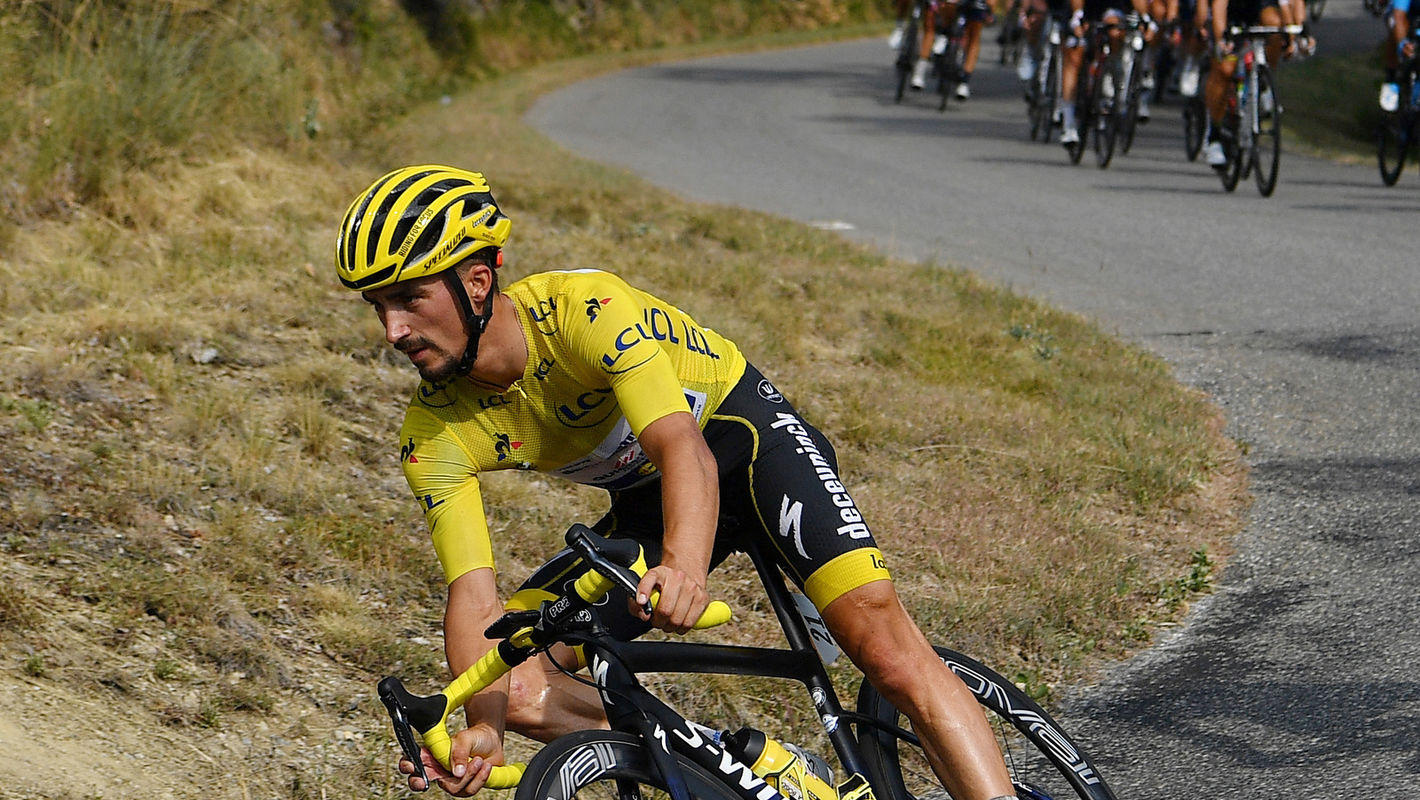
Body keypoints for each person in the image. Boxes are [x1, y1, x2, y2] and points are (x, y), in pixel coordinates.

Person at [334, 165, 1021, 800]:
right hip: (649, 501)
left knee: (888, 657)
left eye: (410, 299)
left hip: (743, 442)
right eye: (378, 307)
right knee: (515, 678)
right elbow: (474, 597)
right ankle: (744, 763)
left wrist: (684, 568)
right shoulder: (432, 431)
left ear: (477, 282)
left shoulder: (584, 309)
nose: (393, 330)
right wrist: (485, 727)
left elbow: (681, 445)